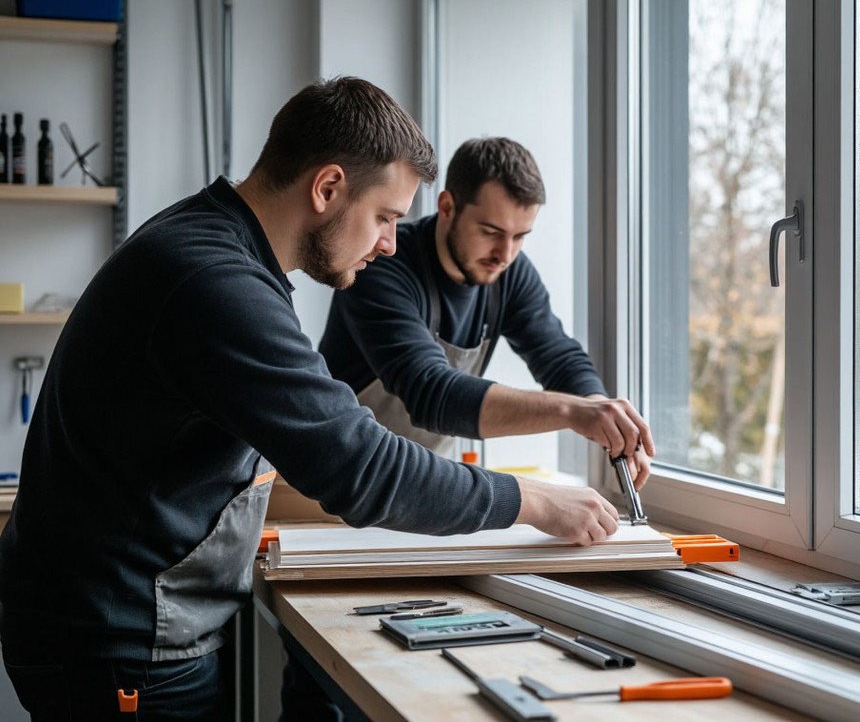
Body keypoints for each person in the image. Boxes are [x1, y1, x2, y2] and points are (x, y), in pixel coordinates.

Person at [0, 77, 620, 721]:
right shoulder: (216, 282)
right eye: (383, 217)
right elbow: (359, 467)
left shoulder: (211, 244)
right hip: (117, 642)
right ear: (326, 189)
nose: (387, 242)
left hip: (126, 623)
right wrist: (538, 502)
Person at [319, 137, 655, 484]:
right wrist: (573, 411)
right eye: (491, 232)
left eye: (520, 236)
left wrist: (604, 414)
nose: (505, 254)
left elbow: (558, 356)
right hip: (335, 482)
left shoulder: (509, 273)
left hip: (417, 483)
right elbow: (431, 393)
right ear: (447, 206)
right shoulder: (381, 266)